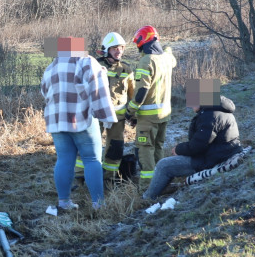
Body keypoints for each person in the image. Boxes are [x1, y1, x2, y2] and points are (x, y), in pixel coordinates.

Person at [41, 36, 116, 210]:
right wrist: (106, 116)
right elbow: (98, 90)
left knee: (64, 160)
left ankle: (64, 202)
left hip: (57, 121)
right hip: (81, 118)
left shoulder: (51, 67)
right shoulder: (86, 61)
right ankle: (99, 204)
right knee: (91, 159)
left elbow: (44, 92)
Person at [143, 78, 242, 200]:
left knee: (164, 165)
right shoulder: (217, 110)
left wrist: (178, 149)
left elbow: (198, 146)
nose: (189, 104)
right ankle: (164, 189)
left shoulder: (210, 115)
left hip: (212, 159)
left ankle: (147, 198)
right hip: (220, 154)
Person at [125, 25, 176, 189]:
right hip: (164, 115)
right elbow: (170, 55)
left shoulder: (147, 60)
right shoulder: (166, 59)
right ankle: (162, 182)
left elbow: (142, 91)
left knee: (145, 148)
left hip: (148, 117)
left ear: (141, 42)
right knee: (158, 147)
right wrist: (167, 49)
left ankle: (148, 186)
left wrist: (130, 111)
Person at [94, 32, 135, 184]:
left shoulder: (126, 69)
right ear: (106, 49)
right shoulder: (95, 66)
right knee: (91, 145)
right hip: (96, 115)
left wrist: (134, 115)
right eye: (115, 48)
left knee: (116, 147)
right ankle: (83, 177)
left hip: (118, 117)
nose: (119, 51)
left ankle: (109, 178)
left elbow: (133, 94)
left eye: (121, 48)